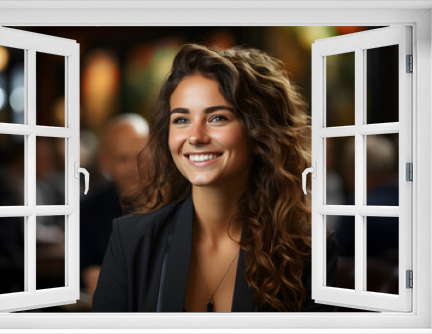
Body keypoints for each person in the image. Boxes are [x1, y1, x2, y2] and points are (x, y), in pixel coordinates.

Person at [93, 44, 337, 312]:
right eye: (182, 120)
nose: (196, 137)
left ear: (259, 132)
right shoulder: (130, 242)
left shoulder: (306, 250)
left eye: (217, 118)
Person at [80, 113, 149, 302]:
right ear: (105, 161)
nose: (134, 168)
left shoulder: (177, 205)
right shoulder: (87, 210)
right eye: (123, 159)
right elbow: (88, 271)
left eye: (140, 157)